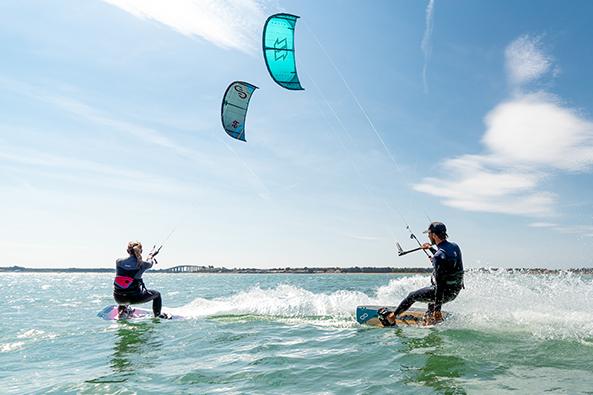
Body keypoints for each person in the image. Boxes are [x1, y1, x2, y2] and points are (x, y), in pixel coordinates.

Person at [379, 222, 464, 326]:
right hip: (455, 291)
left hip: (444, 293)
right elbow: (448, 262)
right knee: (431, 293)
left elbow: (440, 286)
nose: (428, 236)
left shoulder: (438, 256)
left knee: (412, 296)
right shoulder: (454, 247)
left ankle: (392, 317)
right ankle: (429, 319)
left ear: (433, 235)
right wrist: (431, 249)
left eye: (428, 233)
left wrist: (438, 310)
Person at [113, 241, 171, 319]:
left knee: (123, 289)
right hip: (134, 298)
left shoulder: (118, 261)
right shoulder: (143, 264)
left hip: (118, 298)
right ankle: (157, 316)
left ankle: (122, 311)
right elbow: (149, 262)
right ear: (141, 251)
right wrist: (151, 255)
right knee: (157, 294)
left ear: (128, 251)